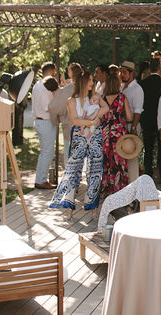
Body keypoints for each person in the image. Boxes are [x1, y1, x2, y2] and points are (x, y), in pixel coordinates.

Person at [49, 64, 103, 212]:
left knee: (95, 170)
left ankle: (92, 206)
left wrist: (95, 117)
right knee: (73, 170)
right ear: (83, 82)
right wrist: (92, 121)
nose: (93, 83)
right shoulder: (72, 100)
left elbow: (106, 109)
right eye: (90, 80)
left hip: (94, 136)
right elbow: (74, 120)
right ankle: (68, 206)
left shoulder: (96, 97)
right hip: (79, 136)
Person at [98, 73, 132, 203]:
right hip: (118, 131)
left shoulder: (102, 99)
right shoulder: (122, 98)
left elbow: (99, 116)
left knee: (107, 161)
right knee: (120, 160)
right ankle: (119, 189)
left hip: (105, 132)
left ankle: (107, 188)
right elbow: (129, 116)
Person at [31, 62, 57, 190]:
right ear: (51, 71)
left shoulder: (37, 84)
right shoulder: (45, 87)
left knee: (44, 152)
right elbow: (48, 107)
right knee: (47, 152)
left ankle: (40, 178)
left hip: (40, 120)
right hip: (45, 121)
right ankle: (41, 180)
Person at [140, 59, 161, 179]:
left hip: (147, 118)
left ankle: (148, 173)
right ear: (159, 68)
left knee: (148, 148)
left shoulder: (143, 83)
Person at [119, 61, 144, 131]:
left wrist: (133, 127)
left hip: (131, 125)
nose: (121, 75)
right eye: (120, 72)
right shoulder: (120, 86)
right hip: (120, 125)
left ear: (132, 73)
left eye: (124, 72)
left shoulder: (137, 89)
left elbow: (138, 110)